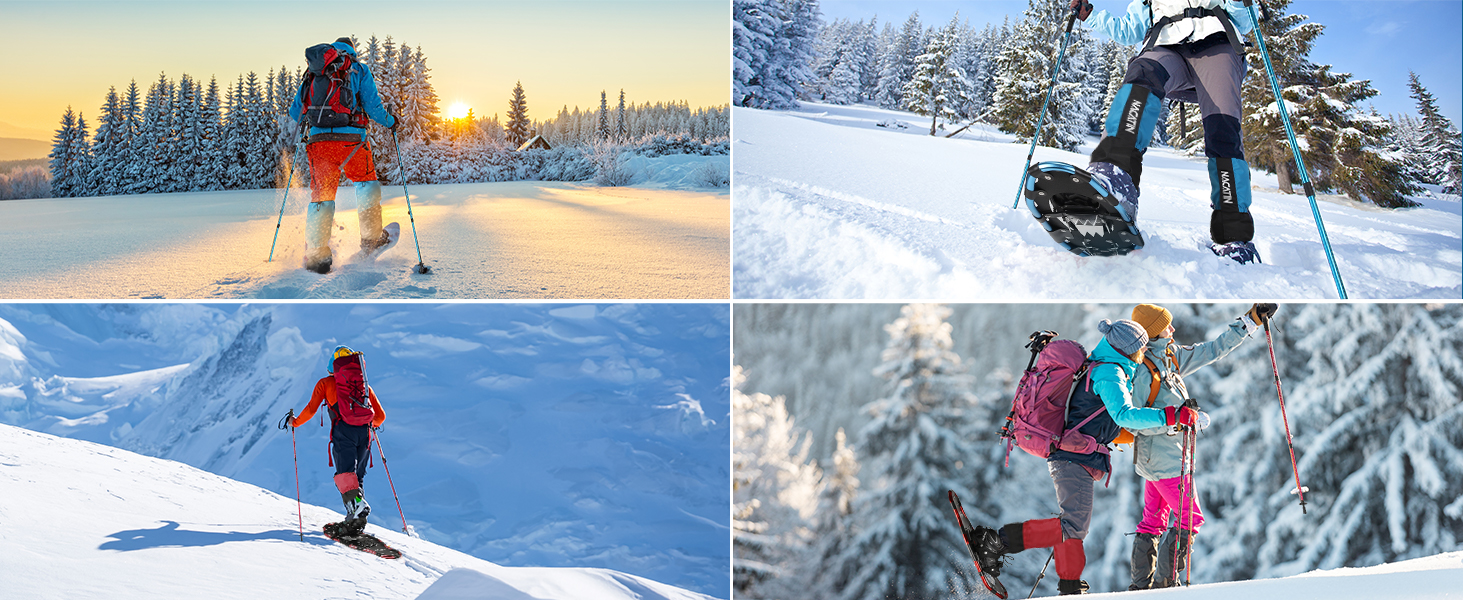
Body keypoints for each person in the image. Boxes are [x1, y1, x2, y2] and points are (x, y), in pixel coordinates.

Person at [971, 319, 1201, 595]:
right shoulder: (1110, 374)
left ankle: (1069, 586)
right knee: (1073, 525)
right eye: (1141, 349)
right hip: (1073, 460)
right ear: (1130, 350)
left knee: (1073, 524)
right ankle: (995, 541)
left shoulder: (1102, 367)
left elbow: (1103, 420)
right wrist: (1171, 415)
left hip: (1074, 457)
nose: (1143, 354)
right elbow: (1124, 414)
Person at [1071, 0, 1262, 264]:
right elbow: (1128, 30)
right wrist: (1090, 15)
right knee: (1141, 74)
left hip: (1216, 42)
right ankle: (1114, 183)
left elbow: (1244, 20)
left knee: (1223, 128)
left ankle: (1233, 232)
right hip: (1165, 45)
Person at [1124, 302, 1277, 589]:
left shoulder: (1170, 356)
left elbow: (1213, 350)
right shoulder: (1144, 371)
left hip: (1161, 459)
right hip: (1164, 460)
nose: (1173, 328)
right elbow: (1133, 421)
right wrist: (1178, 422)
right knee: (1189, 517)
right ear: (1154, 333)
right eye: (1166, 325)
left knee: (1152, 521)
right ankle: (1167, 584)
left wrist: (1250, 321)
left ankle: (1141, 586)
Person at [287, 36, 398, 274]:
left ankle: (317, 256)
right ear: (352, 50)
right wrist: (391, 122)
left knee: (322, 197)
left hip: (319, 144)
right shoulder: (357, 68)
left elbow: (296, 111)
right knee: (367, 185)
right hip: (352, 142)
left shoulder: (313, 72)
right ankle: (371, 239)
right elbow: (373, 106)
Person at [282, 345, 386, 533]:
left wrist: (295, 422)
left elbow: (311, 409)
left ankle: (357, 508)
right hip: (365, 433)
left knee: (345, 475)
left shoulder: (326, 384)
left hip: (343, 431)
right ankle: (356, 521)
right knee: (357, 477)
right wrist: (370, 425)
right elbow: (380, 417)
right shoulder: (364, 386)